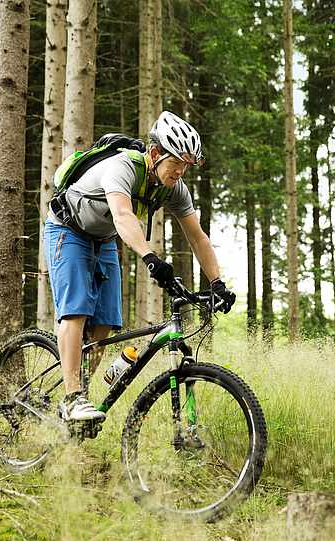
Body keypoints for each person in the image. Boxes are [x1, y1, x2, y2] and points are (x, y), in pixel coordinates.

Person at [45, 110, 235, 425]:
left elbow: (198, 238)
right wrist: (150, 257)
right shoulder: (122, 168)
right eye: (176, 163)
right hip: (67, 229)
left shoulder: (173, 188)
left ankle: (79, 395)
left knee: (105, 325)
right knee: (76, 311)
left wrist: (217, 283)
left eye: (187, 166)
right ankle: (72, 397)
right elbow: (122, 215)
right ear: (155, 153)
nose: (180, 172)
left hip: (103, 239)